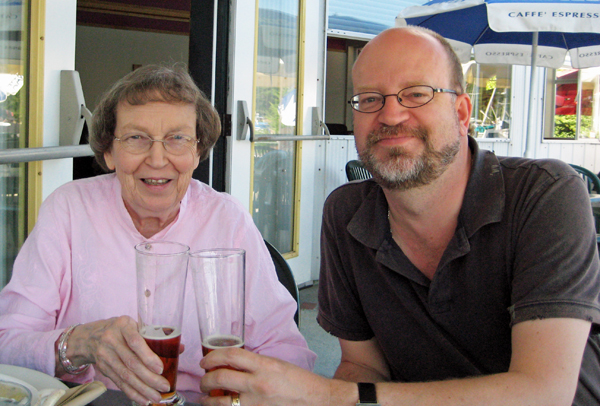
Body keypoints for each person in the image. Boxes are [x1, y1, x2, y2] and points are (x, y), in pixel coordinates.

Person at [198, 26, 600, 406]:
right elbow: (364, 366)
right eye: (370, 99)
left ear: (462, 112)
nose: (390, 116)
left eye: (416, 94)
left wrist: (326, 395)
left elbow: (544, 393)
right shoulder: (346, 215)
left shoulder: (545, 194)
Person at [0, 64, 315, 405]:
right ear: (109, 151)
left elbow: (286, 351)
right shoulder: (69, 209)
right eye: (137, 138)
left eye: (177, 139)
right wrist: (77, 344)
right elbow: (7, 341)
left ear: (197, 152)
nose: (157, 158)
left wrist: (241, 398)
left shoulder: (227, 219)